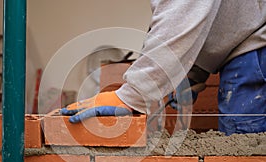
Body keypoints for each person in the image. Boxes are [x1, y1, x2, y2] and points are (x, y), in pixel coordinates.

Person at [61, 0, 266, 136]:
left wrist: (132, 96)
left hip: (257, 52)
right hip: (249, 46)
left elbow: (182, 13)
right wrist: (192, 72)